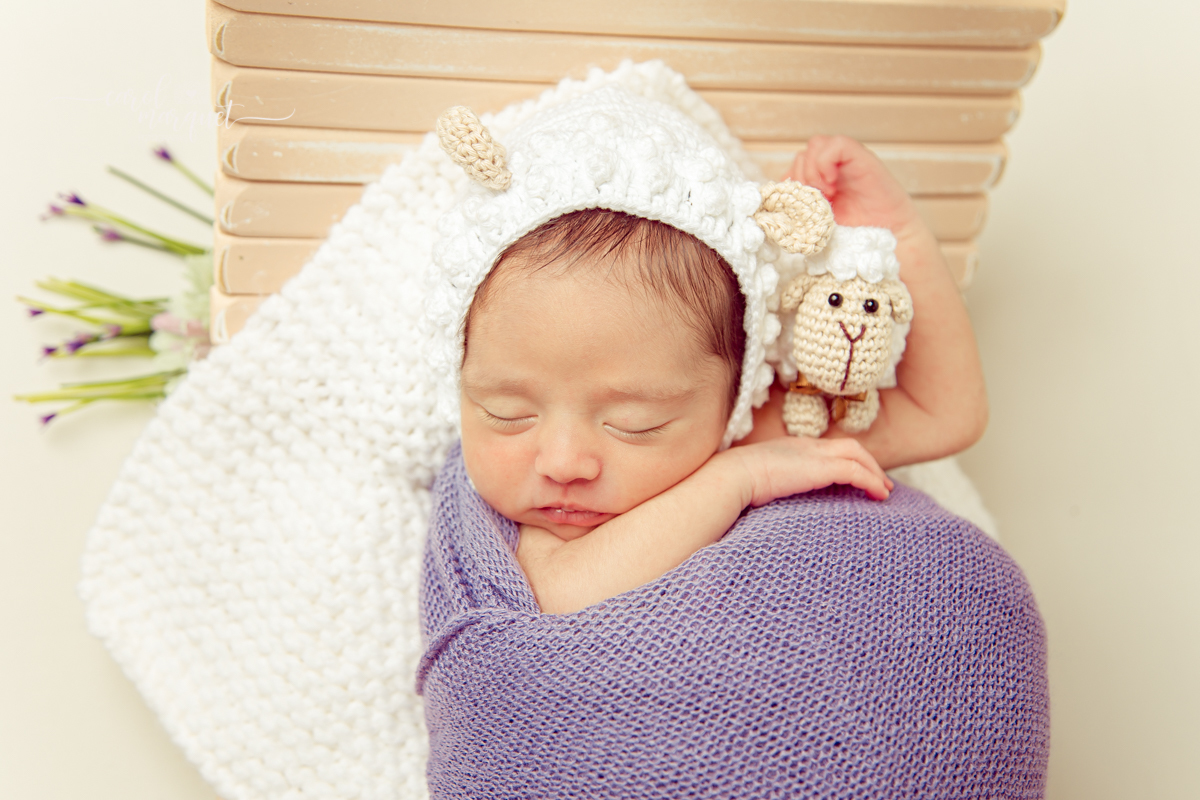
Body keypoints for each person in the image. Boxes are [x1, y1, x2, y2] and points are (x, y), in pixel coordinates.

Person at [456, 134, 987, 615]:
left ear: (735, 396)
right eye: (508, 414)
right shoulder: (520, 524)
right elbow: (556, 594)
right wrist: (738, 479)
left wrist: (897, 237)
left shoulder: (752, 433)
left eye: (635, 422)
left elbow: (944, 413)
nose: (564, 463)